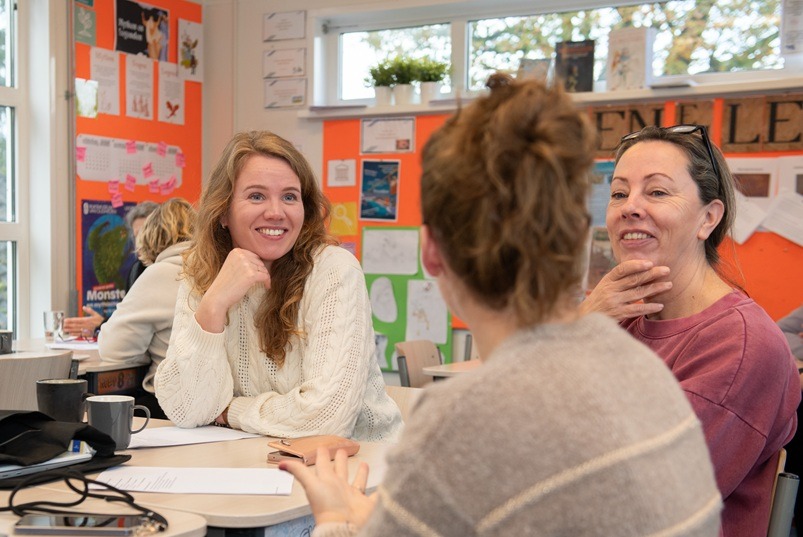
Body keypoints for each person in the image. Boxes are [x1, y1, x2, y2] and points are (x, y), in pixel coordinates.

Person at [281, 74, 722, 536]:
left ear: (431, 251)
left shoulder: (463, 417)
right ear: (576, 235)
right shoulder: (645, 370)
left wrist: (332, 517)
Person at [579, 124, 799, 535]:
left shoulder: (739, 347)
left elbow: (639, 504)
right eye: (619, 193)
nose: (630, 207)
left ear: (708, 218)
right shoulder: (613, 315)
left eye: (658, 192)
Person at [154, 131, 402, 442]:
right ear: (223, 212)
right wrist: (214, 305)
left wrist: (232, 411)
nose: (276, 212)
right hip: (256, 463)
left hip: (362, 466)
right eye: (256, 196)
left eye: (289, 196)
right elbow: (187, 411)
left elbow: (328, 418)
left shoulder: (334, 270)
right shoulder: (202, 276)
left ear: (305, 209)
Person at [97, 198, 196, 420]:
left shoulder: (162, 273)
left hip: (173, 404)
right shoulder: (218, 268)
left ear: (150, 238)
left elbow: (113, 349)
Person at [63, 200, 159, 338]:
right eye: (136, 235)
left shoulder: (173, 271)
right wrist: (102, 324)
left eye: (144, 234)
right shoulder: (136, 270)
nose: (139, 242)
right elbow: (130, 321)